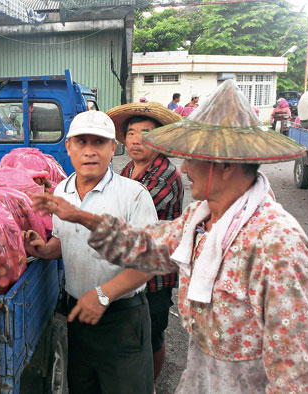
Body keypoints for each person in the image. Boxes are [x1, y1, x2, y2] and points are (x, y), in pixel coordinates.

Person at [32, 80, 308, 393]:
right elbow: (147, 245)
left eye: (193, 158)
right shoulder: (202, 219)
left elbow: (300, 379)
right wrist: (79, 216)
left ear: (226, 165)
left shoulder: (277, 245)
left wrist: (105, 290)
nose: (185, 168)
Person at [23, 110, 158, 393]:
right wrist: (45, 249)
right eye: (82, 143)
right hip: (79, 315)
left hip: (122, 320)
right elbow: (64, 240)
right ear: (68, 147)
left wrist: (103, 294)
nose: (90, 152)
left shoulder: (133, 195)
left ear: (112, 148)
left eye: (98, 143)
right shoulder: (61, 191)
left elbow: (148, 262)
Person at [106, 101, 184, 384]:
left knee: (151, 336)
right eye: (131, 133)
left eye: (146, 133)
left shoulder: (166, 175)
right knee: (128, 332)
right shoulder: (126, 170)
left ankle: (149, 384)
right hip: (128, 270)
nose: (137, 140)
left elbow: (127, 216)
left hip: (153, 277)